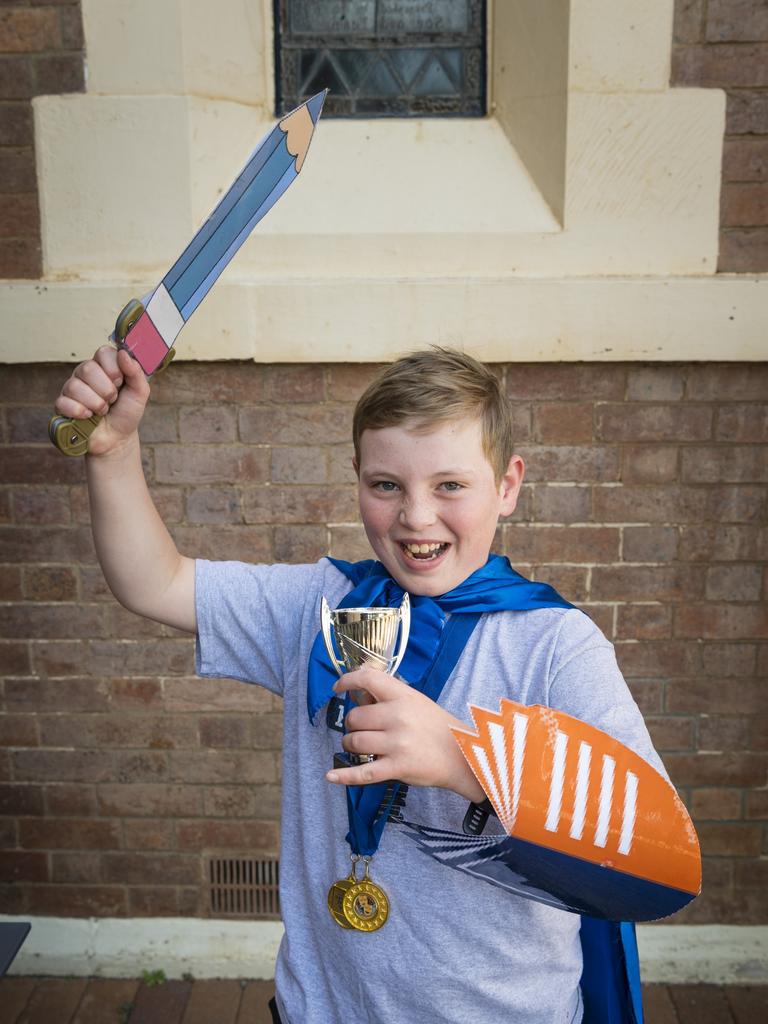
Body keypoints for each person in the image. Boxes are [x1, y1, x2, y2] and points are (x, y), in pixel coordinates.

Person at [54, 346, 667, 1023]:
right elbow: (156, 582)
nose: (416, 516)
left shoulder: (554, 645)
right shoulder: (320, 605)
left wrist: (469, 760)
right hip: (323, 1007)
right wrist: (112, 452)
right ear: (357, 479)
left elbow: (655, 848)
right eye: (386, 485)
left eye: (450, 486)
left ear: (508, 485)